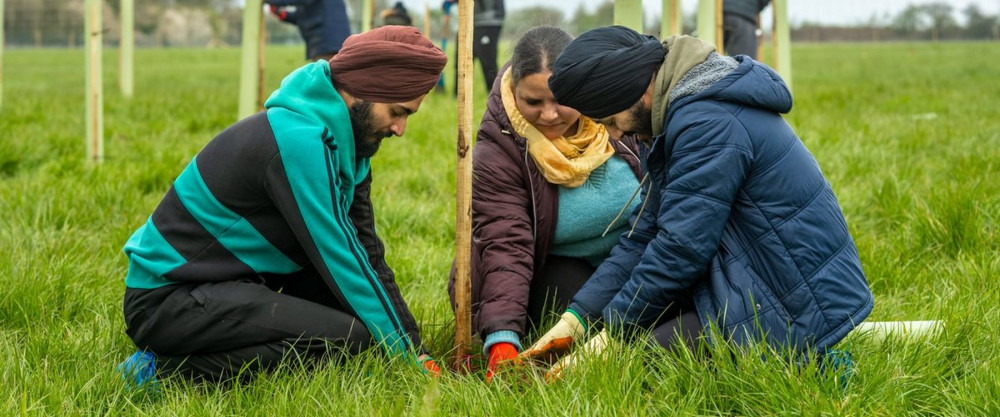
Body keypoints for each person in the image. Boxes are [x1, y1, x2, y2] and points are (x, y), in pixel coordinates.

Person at [521, 26, 874, 378]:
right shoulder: (673, 115)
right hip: (746, 277)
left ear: (631, 90)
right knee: (632, 343)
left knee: (637, 368)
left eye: (612, 120)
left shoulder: (706, 122)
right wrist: (576, 321)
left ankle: (815, 365)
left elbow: (680, 248)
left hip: (791, 302)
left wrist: (611, 337)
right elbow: (645, 236)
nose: (616, 134)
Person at [117, 27, 448, 386]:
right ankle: (162, 370)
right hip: (167, 302)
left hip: (228, 285)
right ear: (362, 91)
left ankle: (191, 354)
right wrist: (403, 351)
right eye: (398, 112)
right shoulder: (297, 140)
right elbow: (340, 255)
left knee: (363, 330)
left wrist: (413, 346)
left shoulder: (348, 145)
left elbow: (365, 250)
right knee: (352, 339)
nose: (400, 129)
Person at [447, 26, 644, 382]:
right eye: (533, 102)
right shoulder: (499, 148)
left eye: (561, 99)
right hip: (548, 270)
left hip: (633, 263)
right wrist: (503, 337)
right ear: (514, 91)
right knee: (575, 323)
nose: (550, 115)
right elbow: (505, 243)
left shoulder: (623, 115)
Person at [443, 0, 505, 92]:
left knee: (488, 62)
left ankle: (494, 96)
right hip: (466, 21)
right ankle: (459, 95)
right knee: (462, 61)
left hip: (487, 22)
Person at [268, 0, 353, 61]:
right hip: (325, 45)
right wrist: (282, 14)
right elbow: (301, 17)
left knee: (326, 80)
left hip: (329, 44)